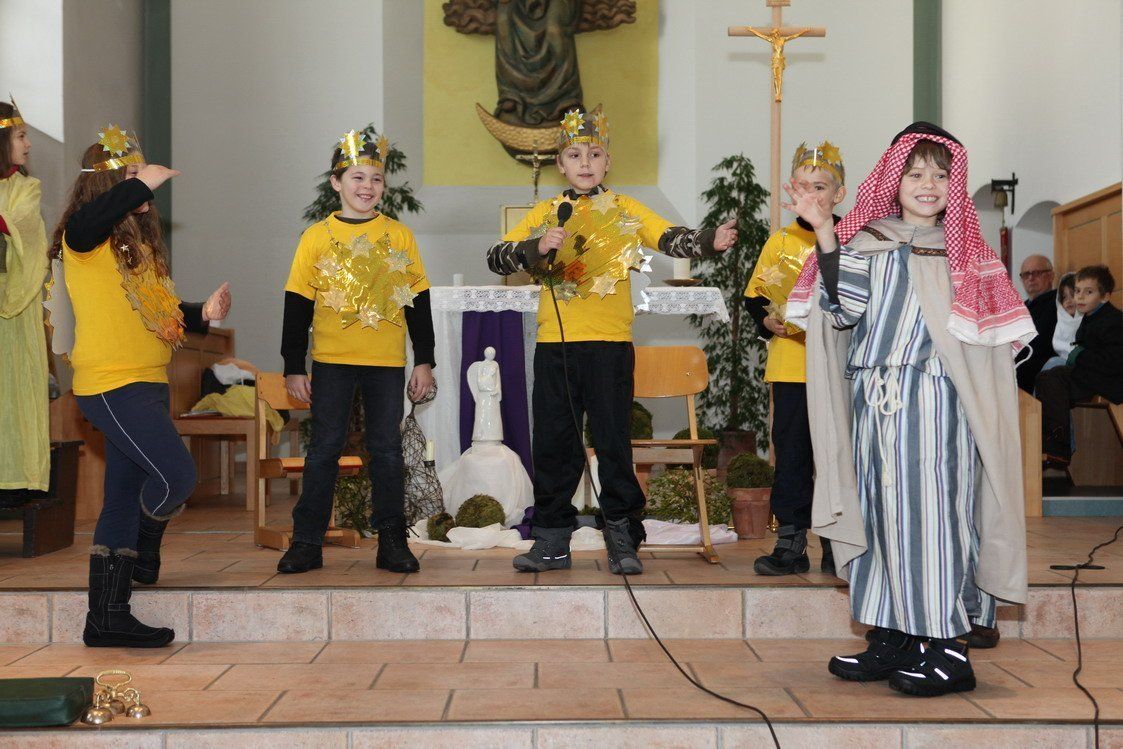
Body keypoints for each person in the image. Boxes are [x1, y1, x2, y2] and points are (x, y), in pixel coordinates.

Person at [785, 122, 1032, 696]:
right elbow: (842, 310)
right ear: (893, 182)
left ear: (954, 185)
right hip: (873, 405)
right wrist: (824, 230)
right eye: (916, 173)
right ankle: (892, 638)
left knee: (932, 522)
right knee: (877, 517)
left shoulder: (967, 254)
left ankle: (947, 649)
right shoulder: (868, 242)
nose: (928, 184)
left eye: (940, 176)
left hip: (936, 405)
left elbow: (995, 345)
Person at [486, 108, 736, 575]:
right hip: (555, 345)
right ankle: (552, 538)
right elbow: (497, 257)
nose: (585, 163)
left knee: (613, 443)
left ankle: (622, 534)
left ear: (607, 162)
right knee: (555, 446)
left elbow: (670, 237)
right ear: (561, 164)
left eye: (594, 154)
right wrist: (537, 247)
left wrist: (709, 240)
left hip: (610, 346)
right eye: (574, 155)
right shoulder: (546, 213)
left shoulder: (624, 209)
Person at [52, 125, 230, 647]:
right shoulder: (83, 239)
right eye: (132, 175)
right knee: (177, 475)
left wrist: (202, 313)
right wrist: (142, 182)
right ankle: (146, 553)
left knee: (123, 498)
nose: (145, 184)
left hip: (147, 382)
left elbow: (159, 311)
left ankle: (107, 617)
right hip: (111, 385)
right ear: (109, 185)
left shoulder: (137, 248)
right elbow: (91, 219)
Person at [277, 130, 434, 575]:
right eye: (357, 177)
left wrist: (424, 359)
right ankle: (307, 542)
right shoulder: (315, 237)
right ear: (336, 182)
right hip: (332, 362)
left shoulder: (399, 236)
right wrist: (293, 365)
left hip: (385, 363)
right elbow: (296, 304)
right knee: (324, 450)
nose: (367, 186)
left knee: (387, 451)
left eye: (376, 179)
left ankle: (392, 542)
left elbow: (418, 302)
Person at [744, 140, 845, 577]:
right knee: (793, 455)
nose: (810, 195)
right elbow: (755, 298)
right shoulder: (780, 241)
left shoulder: (851, 238)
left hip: (838, 369)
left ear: (838, 193)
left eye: (819, 187)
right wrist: (768, 322)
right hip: (790, 367)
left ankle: (840, 543)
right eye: (802, 186)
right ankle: (791, 541)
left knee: (838, 456)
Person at [0, 98, 49, 502]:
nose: (28, 144)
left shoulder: (27, 188)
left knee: (12, 394)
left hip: (14, 307)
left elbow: (25, 234)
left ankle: (14, 480)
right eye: (20, 136)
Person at [1035, 265, 1122, 467]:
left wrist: (1079, 355)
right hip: (1091, 377)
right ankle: (1051, 442)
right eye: (1077, 291)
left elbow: (1113, 362)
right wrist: (1078, 355)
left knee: (1053, 377)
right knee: (1047, 377)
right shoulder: (1089, 318)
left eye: (1088, 292)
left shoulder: (1114, 321)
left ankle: (1058, 447)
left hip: (1110, 382)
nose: (1080, 297)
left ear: (1105, 297)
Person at [1015, 254, 1057, 393]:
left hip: (1041, 374)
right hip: (1015, 373)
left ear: (1051, 276)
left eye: (1037, 273)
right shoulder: (1020, 309)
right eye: (1026, 274)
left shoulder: (1059, 303)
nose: (1031, 278)